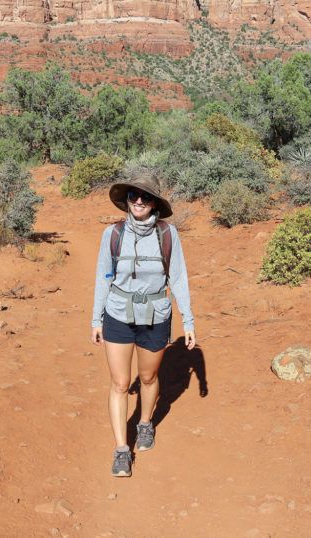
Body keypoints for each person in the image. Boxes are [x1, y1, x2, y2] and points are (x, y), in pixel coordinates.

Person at [90, 172, 196, 478]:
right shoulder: (112, 234)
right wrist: (96, 318)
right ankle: (122, 449)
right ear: (127, 200)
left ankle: (145, 423)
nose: (139, 201)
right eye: (134, 196)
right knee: (120, 383)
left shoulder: (167, 234)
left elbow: (178, 278)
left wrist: (188, 320)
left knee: (148, 378)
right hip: (118, 314)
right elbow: (103, 278)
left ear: (154, 203)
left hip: (156, 315)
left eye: (145, 197)